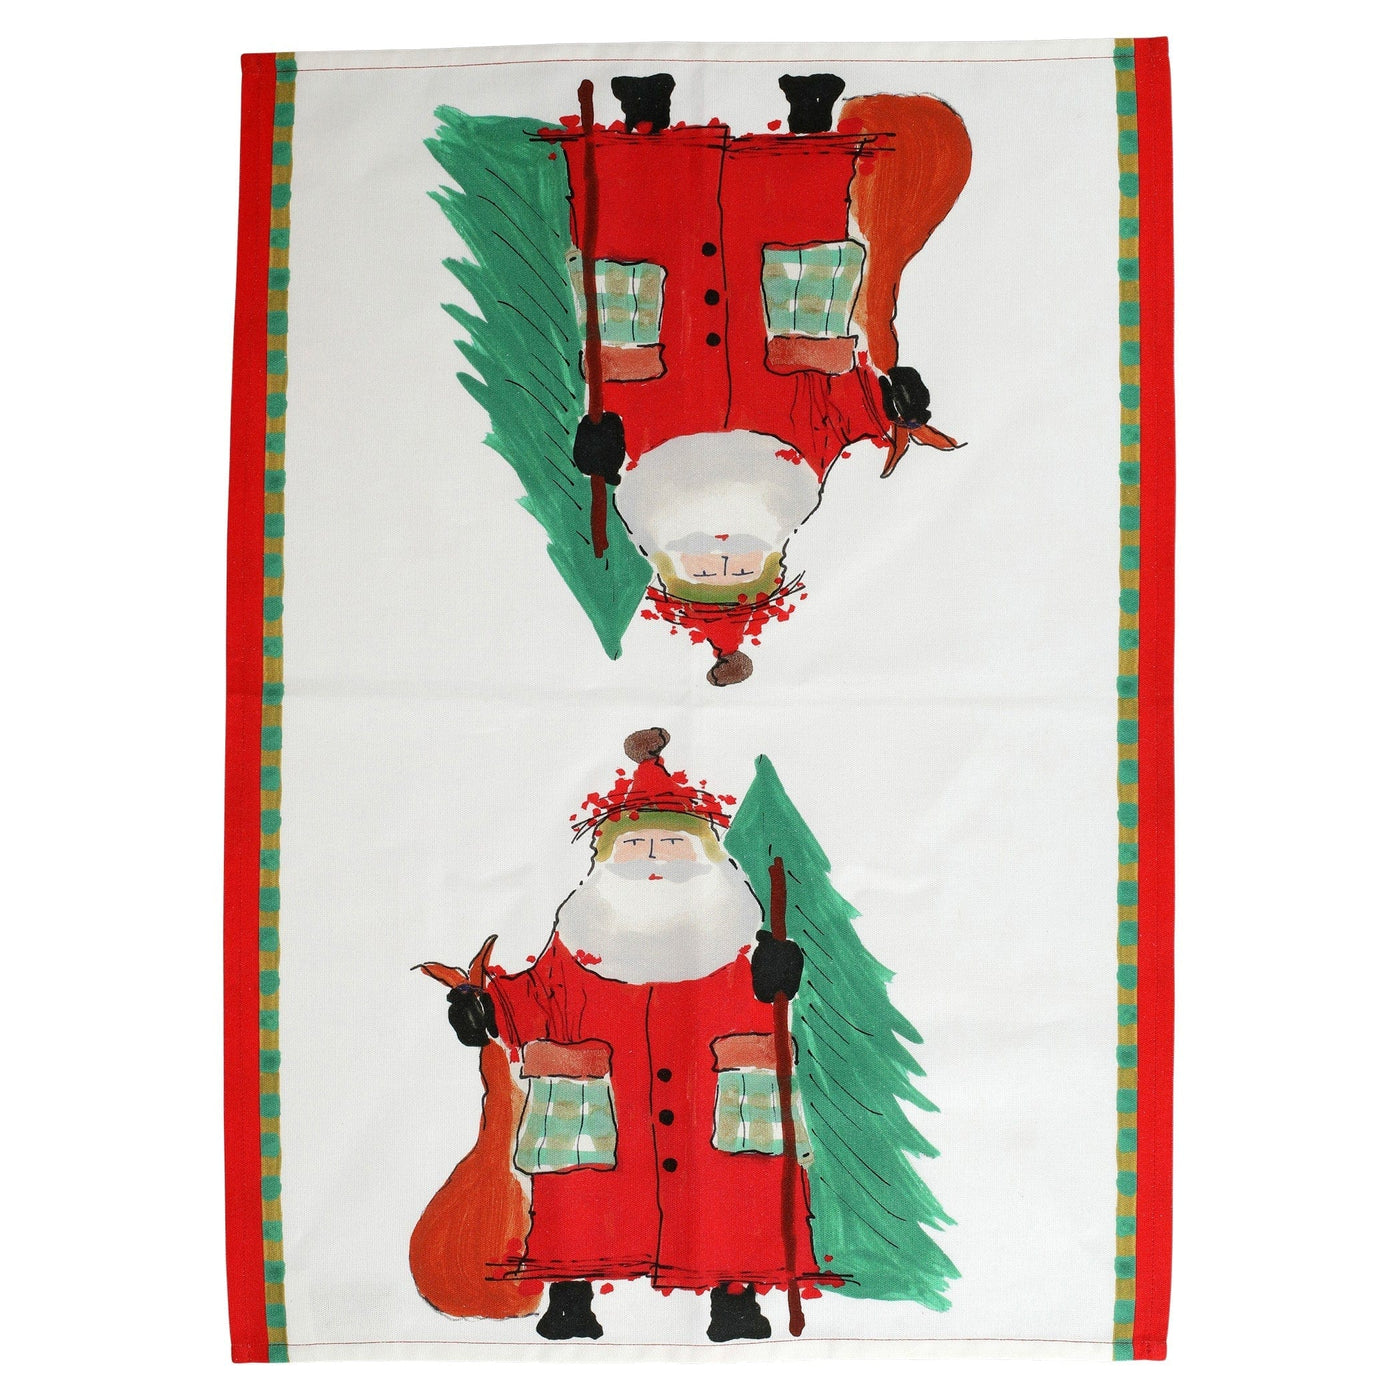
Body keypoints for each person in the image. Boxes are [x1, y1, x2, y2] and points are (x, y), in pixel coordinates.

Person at [440, 728, 819, 1341]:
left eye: (671, 845)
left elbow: (770, 994)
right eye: (636, 846)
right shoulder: (579, 938)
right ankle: (570, 1298)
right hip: (599, 1110)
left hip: (717, 1106)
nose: (652, 860)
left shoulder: (737, 936)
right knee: (583, 1201)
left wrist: (779, 971)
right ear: (608, 860)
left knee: (732, 1194)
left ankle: (735, 1300)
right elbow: (534, 997)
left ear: (705, 857)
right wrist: (485, 1009)